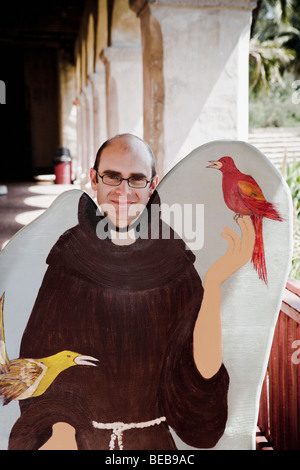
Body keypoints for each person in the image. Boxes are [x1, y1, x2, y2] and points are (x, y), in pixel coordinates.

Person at [8, 134, 255, 450]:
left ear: (152, 187)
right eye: (112, 176)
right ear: (94, 179)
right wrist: (59, 428)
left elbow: (198, 378)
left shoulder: (174, 262)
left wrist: (215, 284)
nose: (123, 191)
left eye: (136, 180)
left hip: (151, 446)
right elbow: (41, 362)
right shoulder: (69, 257)